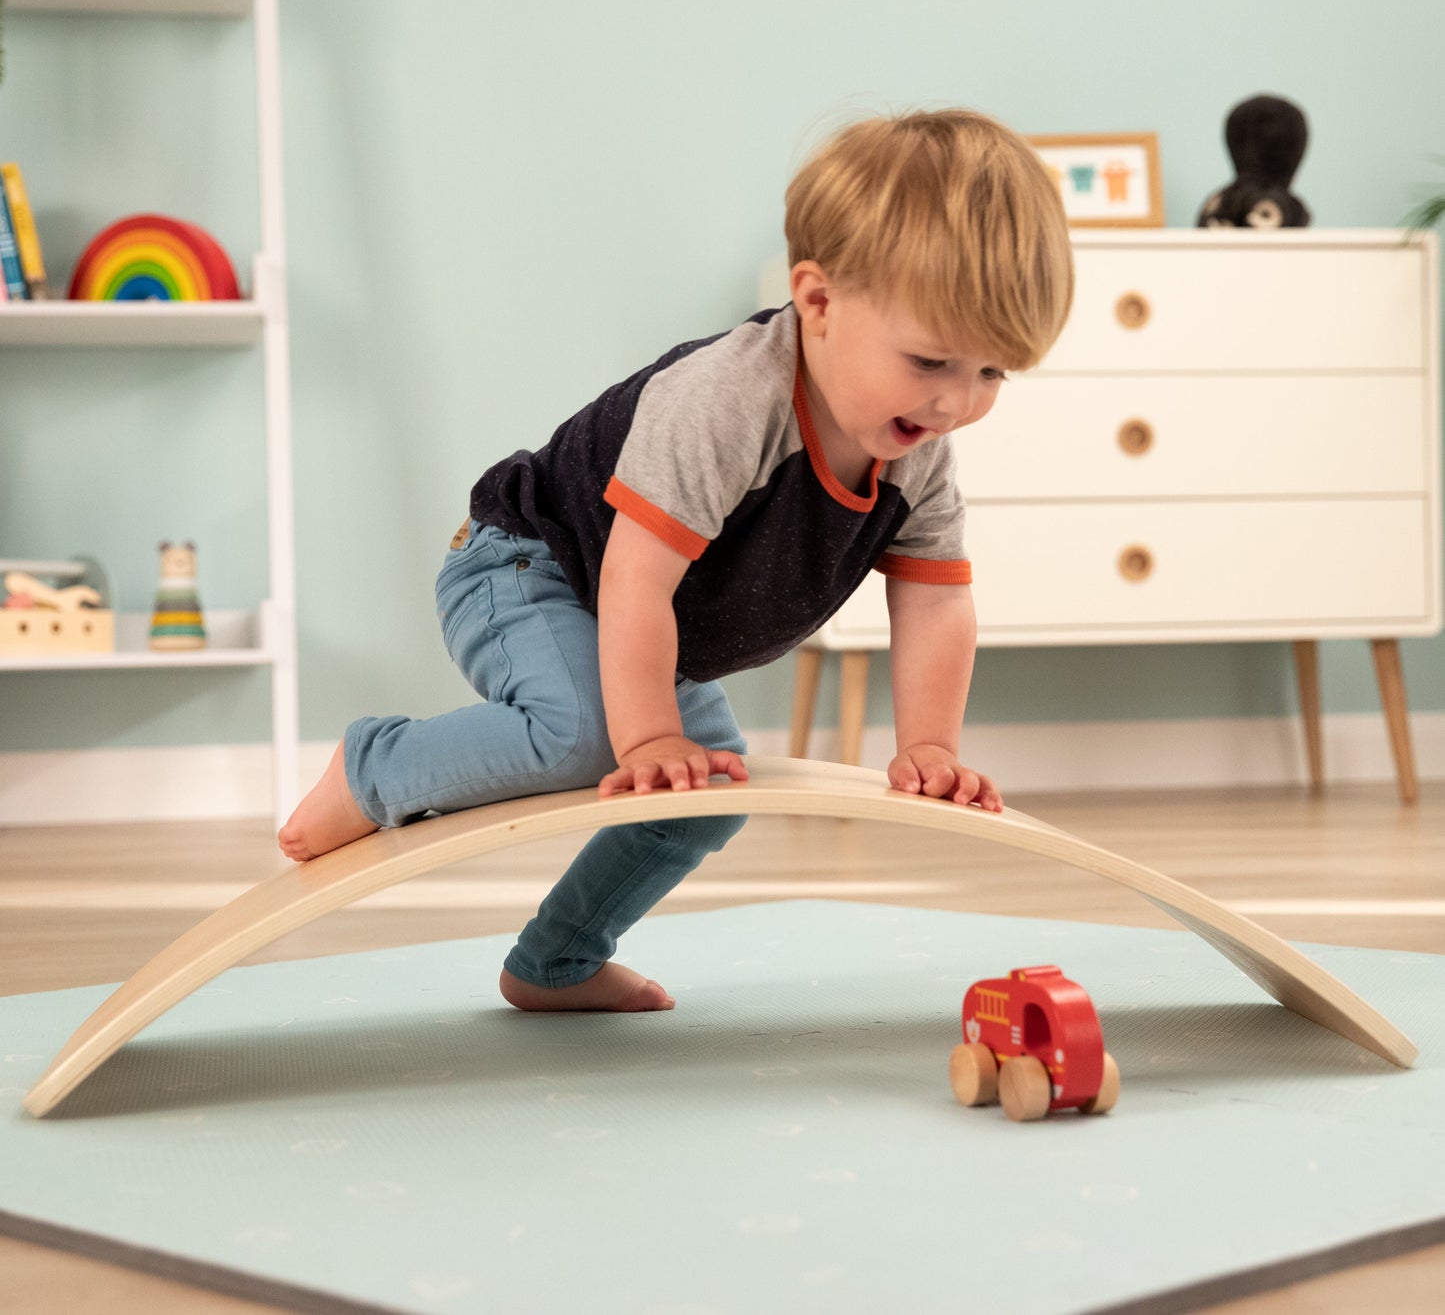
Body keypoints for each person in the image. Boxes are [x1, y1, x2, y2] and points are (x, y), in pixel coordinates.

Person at [278, 107, 1074, 1015]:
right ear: (817, 300)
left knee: (702, 796)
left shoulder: (916, 450)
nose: (955, 402)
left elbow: (935, 604)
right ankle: (374, 765)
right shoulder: (726, 403)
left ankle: (557, 960)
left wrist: (928, 746)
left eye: (992, 374)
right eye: (932, 359)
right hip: (532, 564)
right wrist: (650, 733)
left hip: (646, 623)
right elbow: (634, 575)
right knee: (589, 737)